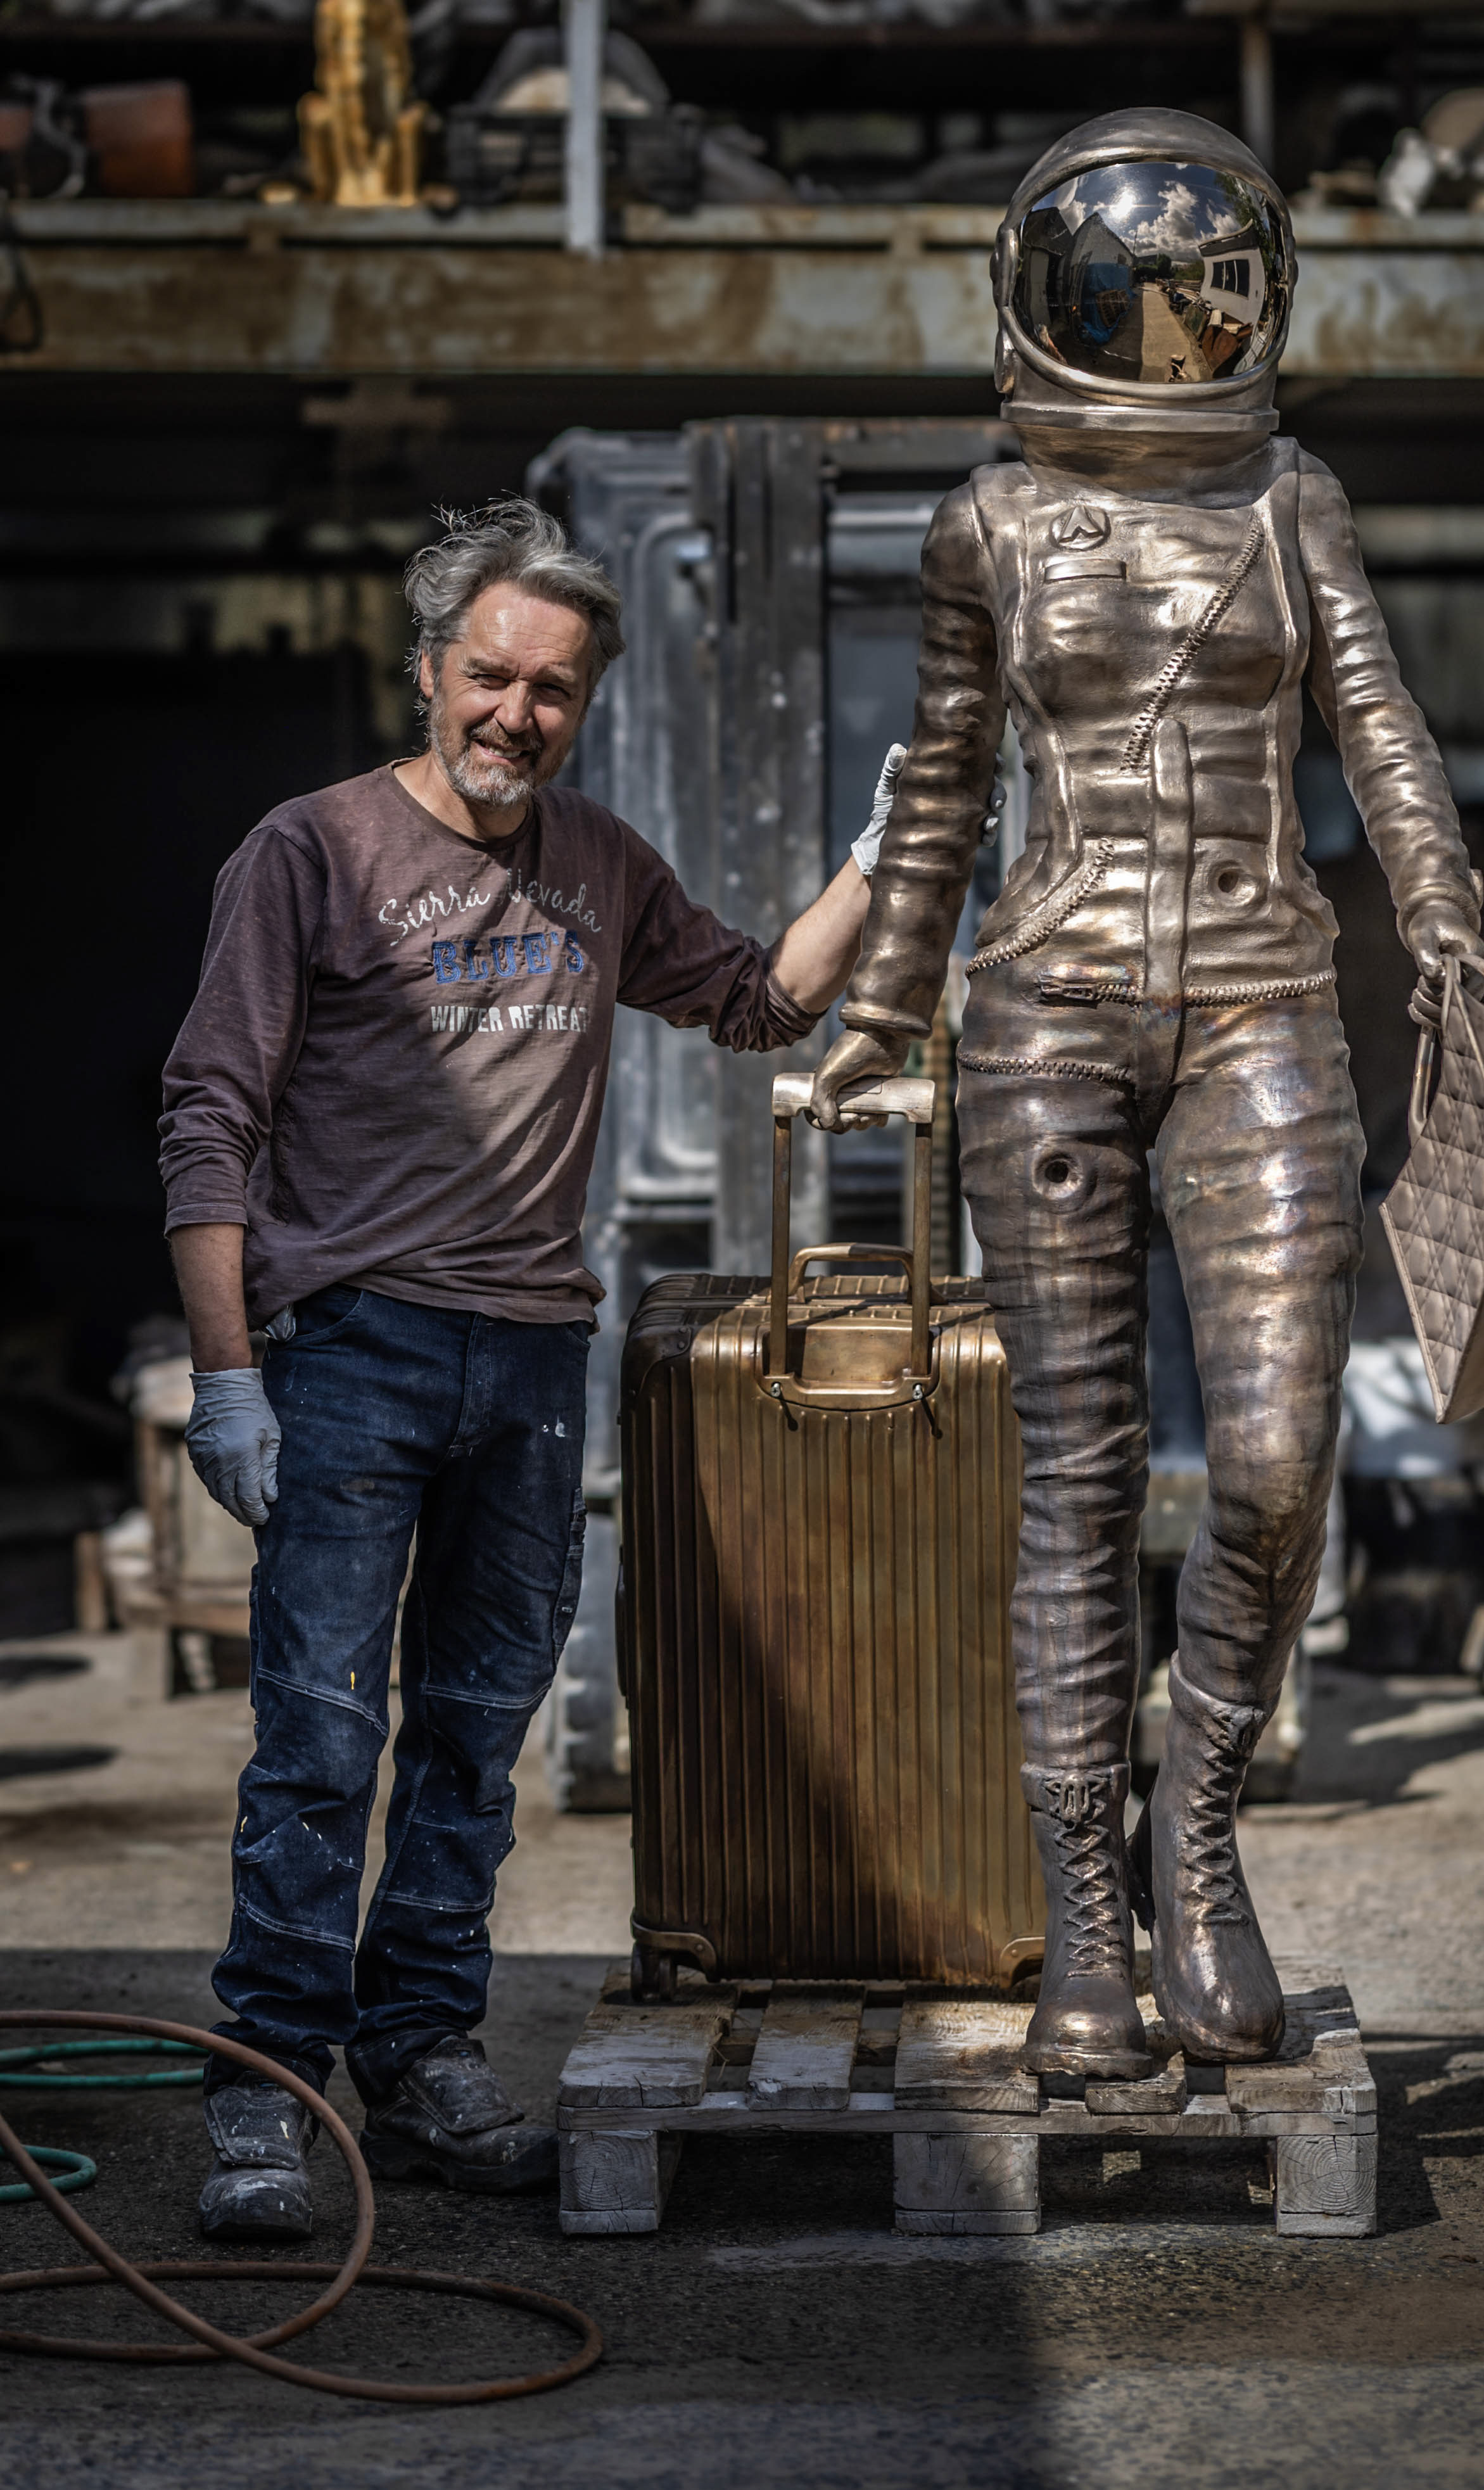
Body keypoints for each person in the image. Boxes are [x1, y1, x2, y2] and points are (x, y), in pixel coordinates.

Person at [811, 108, 1484, 2082]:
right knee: (1080, 1484)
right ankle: (1086, 1934)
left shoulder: (1292, 495)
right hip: (1048, 1012)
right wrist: (885, 1005)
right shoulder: (988, 522)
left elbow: (1379, 719)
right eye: (1128, 292)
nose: (1168, 327)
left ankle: (1198, 1838)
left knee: (1276, 1463)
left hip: (1266, 1000)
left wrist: (1441, 913)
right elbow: (942, 787)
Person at [160, 497, 876, 2237]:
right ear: (428, 669)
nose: (517, 714)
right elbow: (208, 1117)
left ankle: (419, 2055)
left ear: (585, 703)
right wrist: (227, 1372)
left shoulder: (601, 866)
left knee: (476, 1741)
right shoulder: (310, 854)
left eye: (553, 690)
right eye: (490, 676)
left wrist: (892, 854)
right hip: (352, 1353)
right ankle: (268, 2094)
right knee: (320, 1737)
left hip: (535, 1359)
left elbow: (763, 1004)